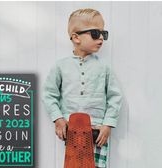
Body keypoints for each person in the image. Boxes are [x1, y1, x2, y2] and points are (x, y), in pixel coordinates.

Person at [42, 8, 123, 168]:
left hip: (98, 130)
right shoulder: (61, 66)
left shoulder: (104, 67)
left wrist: (108, 124)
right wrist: (58, 119)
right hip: (72, 129)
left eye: (103, 34)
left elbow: (114, 96)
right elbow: (49, 94)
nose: (100, 38)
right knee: (73, 165)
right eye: (95, 33)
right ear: (76, 37)